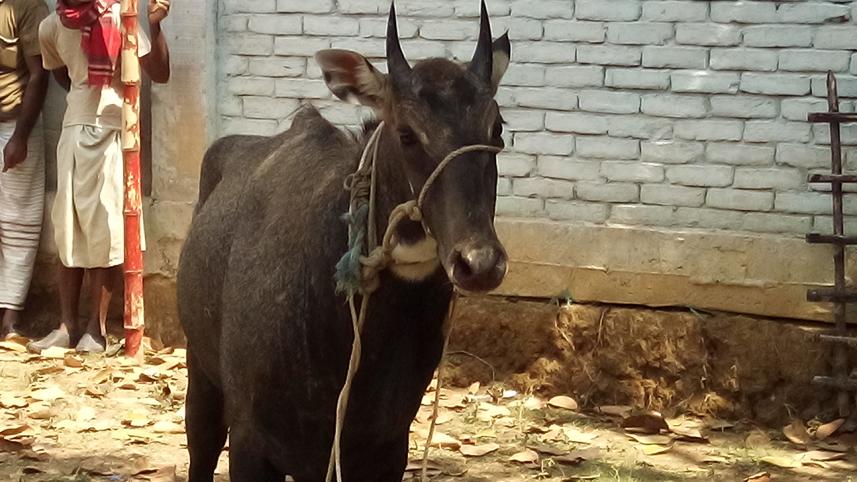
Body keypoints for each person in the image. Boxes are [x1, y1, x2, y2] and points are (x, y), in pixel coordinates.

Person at [28, 0, 169, 353]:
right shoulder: (51, 26)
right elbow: (60, 74)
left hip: (114, 133)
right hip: (74, 130)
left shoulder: (124, 16)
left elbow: (160, 72)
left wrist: (154, 24)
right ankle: (66, 326)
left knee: (105, 232)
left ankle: (97, 329)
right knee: (68, 228)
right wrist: (86, 92)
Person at [0, 0, 50, 339]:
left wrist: (21, 136)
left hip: (14, 124)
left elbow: (39, 74)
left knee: (18, 222)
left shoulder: (28, 6)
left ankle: (10, 317)